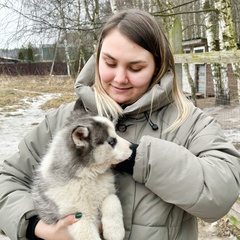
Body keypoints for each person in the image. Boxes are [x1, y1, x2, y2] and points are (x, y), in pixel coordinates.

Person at [0, 9, 240, 240]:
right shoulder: (65, 121)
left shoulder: (187, 122)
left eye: (136, 68)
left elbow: (220, 192)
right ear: (97, 59)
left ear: (157, 66)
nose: (120, 78)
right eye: (110, 63)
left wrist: (138, 158)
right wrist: (35, 226)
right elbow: (7, 179)